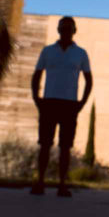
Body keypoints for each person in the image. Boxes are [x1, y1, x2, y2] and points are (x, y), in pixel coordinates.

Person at [30, 16, 92, 197]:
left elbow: (89, 80)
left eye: (68, 28)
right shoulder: (47, 51)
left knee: (65, 147)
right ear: (58, 30)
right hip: (49, 103)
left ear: (74, 31)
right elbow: (37, 74)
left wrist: (81, 103)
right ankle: (40, 182)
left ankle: (62, 185)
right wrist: (36, 98)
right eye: (62, 28)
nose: (65, 31)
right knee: (45, 145)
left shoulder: (81, 54)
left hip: (69, 105)